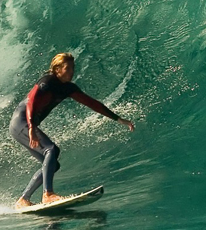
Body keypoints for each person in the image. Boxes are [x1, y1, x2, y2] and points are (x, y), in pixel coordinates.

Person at [10, 52, 135, 208]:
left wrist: (119, 119)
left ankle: (24, 199)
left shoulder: (69, 88)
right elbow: (31, 103)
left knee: (53, 164)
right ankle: (48, 194)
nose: (71, 71)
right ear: (57, 69)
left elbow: (93, 104)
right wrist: (31, 128)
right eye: (67, 68)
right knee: (51, 149)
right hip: (21, 122)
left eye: (73, 68)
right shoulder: (47, 82)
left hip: (27, 125)